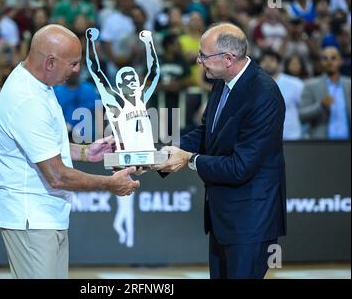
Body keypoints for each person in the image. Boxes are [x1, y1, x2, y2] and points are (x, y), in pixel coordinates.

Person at [0, 24, 140, 279]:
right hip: (32, 220)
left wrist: (84, 152)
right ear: (50, 62)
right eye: (73, 63)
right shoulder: (28, 100)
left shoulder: (37, 83)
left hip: (44, 218)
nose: (77, 70)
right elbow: (57, 176)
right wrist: (111, 185)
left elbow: (42, 144)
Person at [156, 23, 287, 279]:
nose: (198, 60)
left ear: (228, 59)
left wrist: (190, 160)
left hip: (250, 221)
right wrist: (161, 154)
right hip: (224, 218)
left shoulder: (263, 94)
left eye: (203, 56)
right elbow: (207, 133)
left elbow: (241, 167)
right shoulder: (223, 80)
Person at [86, 27, 159, 152]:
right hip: (122, 147)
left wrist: (149, 43)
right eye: (128, 81)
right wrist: (90, 42)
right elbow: (95, 70)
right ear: (120, 85)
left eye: (134, 80)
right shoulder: (113, 101)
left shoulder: (144, 96)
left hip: (144, 147)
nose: (132, 83)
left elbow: (154, 69)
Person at [299, 46, 351, 139]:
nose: (329, 61)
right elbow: (302, 116)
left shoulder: (349, 85)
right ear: (321, 62)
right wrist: (321, 106)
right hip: (322, 144)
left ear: (341, 61)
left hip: (347, 143)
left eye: (333, 58)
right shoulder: (310, 86)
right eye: (325, 58)